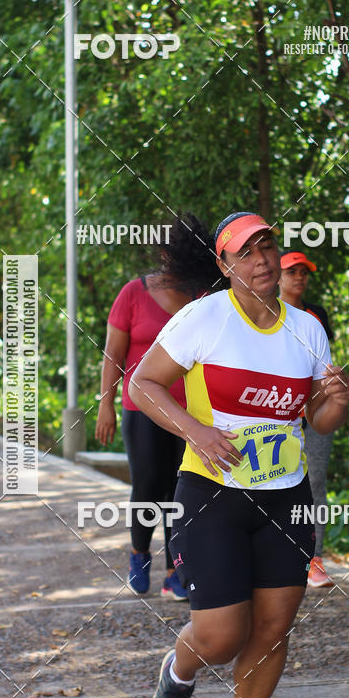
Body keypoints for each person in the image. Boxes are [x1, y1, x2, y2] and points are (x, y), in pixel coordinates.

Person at [130, 212, 349, 698]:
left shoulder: (307, 328)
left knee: (274, 627)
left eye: (267, 247)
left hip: (285, 497)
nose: (260, 259)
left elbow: (315, 422)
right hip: (212, 493)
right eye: (245, 252)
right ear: (224, 265)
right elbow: (142, 383)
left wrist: (336, 403)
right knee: (221, 635)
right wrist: (197, 431)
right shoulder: (202, 319)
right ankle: (178, 673)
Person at [95, 213, 221, 600]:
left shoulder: (204, 295)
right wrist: (106, 405)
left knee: (183, 490)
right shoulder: (133, 293)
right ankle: (138, 554)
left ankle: (175, 570)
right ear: (163, 253)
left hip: (191, 413)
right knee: (148, 487)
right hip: (142, 408)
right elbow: (113, 355)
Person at [279, 251, 336, 588]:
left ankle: (315, 559)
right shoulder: (266, 312)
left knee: (316, 482)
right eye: (292, 272)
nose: (299, 278)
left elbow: (323, 364)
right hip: (276, 411)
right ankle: (279, 552)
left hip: (314, 410)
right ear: (278, 277)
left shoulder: (317, 315)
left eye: (304, 272)